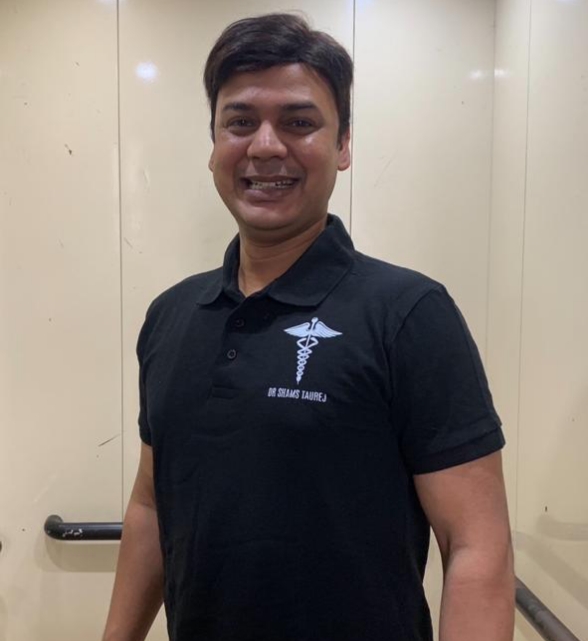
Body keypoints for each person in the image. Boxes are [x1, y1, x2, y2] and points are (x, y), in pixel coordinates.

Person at [102, 13, 514, 641]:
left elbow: (477, 545)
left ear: (343, 146)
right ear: (213, 143)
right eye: (240, 122)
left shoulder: (409, 313)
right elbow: (152, 504)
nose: (265, 146)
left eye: (299, 123)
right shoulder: (172, 315)